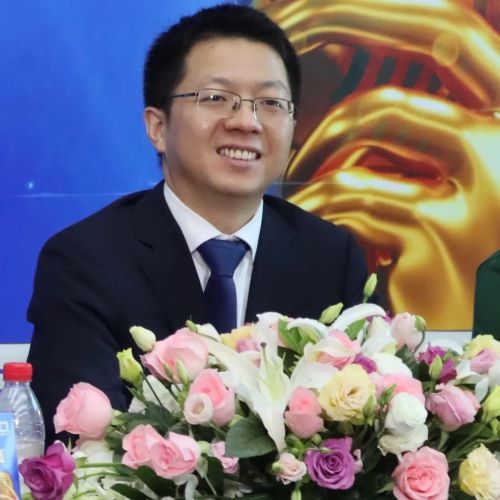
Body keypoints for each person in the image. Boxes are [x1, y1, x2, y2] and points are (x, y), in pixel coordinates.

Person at [27, 4, 368, 446]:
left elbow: (366, 429)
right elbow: (84, 446)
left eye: (270, 103)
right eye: (216, 98)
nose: (246, 121)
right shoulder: (84, 262)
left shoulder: (332, 257)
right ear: (157, 126)